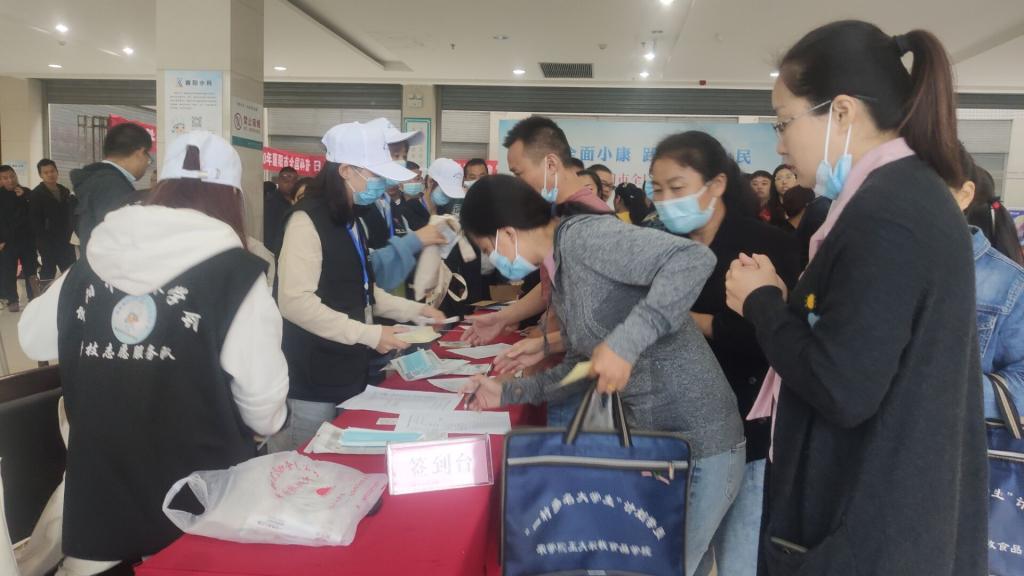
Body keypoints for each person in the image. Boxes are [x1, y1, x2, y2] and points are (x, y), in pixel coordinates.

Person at [724, 20, 986, 575]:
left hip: (865, 525)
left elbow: (841, 386)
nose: (779, 143)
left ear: (841, 112)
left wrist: (762, 304)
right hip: (883, 513)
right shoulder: (901, 195)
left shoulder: (887, 214)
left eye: (783, 121)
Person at [17, 130, 289, 574]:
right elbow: (264, 400)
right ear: (232, 198)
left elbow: (33, 338)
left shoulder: (94, 258)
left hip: (101, 483)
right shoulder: (236, 272)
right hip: (196, 490)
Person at [460, 175, 745, 576]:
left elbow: (692, 259)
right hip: (655, 445)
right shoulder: (561, 269)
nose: (495, 259)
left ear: (507, 232)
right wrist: (508, 391)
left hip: (698, 441)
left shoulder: (585, 238)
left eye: (490, 248)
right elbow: (582, 367)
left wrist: (625, 344)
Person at [645, 131, 800, 576]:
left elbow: (766, 334)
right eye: (657, 189)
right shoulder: (660, 245)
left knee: (739, 556)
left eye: (677, 187)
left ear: (716, 184)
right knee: (676, 555)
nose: (665, 200)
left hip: (747, 425)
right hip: (674, 427)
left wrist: (677, 316)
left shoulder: (765, 244)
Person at [271, 121, 445, 452]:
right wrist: (369, 334)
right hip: (313, 379)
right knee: (306, 465)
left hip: (348, 369)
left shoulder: (350, 219)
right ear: (346, 171)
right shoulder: (306, 220)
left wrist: (415, 310)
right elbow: (294, 302)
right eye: (376, 174)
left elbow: (362, 289)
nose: (382, 184)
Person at [949, 145, 1024, 422]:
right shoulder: (876, 266)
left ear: (964, 194)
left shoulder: (1008, 283)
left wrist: (939, 390)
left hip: (960, 438)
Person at [72, 122, 152, 248]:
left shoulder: (97, 179)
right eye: (149, 157)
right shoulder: (112, 186)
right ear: (140, 152)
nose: (148, 163)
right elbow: (121, 238)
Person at [427, 158, 486, 315]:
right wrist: (431, 211)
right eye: (472, 177)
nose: (477, 181)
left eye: (482, 176)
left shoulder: (479, 200)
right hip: (441, 278)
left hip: (470, 271)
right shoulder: (428, 206)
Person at [30, 159, 78, 286]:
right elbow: (35, 220)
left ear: (57, 172)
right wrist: (42, 240)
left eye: (52, 171)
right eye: (46, 172)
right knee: (48, 271)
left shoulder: (64, 191)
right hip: (47, 241)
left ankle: (68, 294)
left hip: (65, 239)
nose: (50, 174)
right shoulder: (36, 194)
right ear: (40, 175)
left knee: (70, 270)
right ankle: (44, 294)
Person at [0, 165, 40, 311]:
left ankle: (34, 298)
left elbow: (35, 213)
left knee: (31, 270)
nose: (10, 180)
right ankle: (12, 300)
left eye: (12, 176)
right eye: (5, 178)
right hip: (7, 241)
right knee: (8, 271)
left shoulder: (27, 192)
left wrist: (25, 197)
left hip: (27, 240)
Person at [263, 166, 298, 257]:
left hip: (293, 250)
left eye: (294, 182)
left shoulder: (298, 202)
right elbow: (269, 232)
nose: (290, 185)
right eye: (286, 181)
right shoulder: (270, 202)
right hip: (275, 252)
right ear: (279, 181)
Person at [766, 164, 796, 230]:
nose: (784, 182)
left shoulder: (807, 207)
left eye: (788, 177)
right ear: (774, 183)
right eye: (779, 178)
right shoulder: (767, 209)